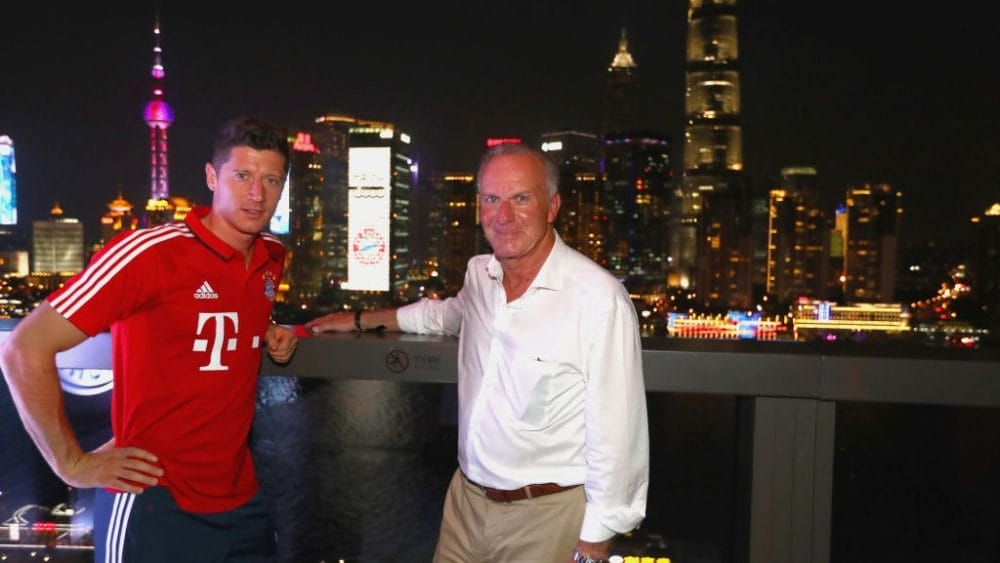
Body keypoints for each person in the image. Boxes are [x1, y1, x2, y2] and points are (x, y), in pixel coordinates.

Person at [306, 142, 649, 563]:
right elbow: (441, 316)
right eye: (491, 199)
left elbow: (620, 433)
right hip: (465, 503)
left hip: (546, 517)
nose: (503, 216)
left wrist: (593, 545)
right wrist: (358, 319)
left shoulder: (597, 299)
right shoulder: (480, 275)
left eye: (521, 198)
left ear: (553, 206)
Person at [0, 116, 298, 562]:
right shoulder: (149, 254)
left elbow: (227, 314)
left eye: (271, 180)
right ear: (212, 177)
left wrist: (277, 333)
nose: (257, 194)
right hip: (153, 502)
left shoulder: (272, 256)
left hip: (242, 501)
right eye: (242, 176)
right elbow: (23, 348)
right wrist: (72, 463)